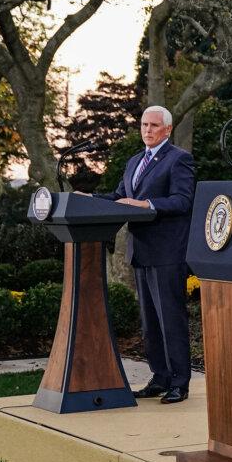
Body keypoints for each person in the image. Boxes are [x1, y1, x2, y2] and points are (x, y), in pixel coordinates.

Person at [96, 105, 196, 404]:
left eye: (154, 125)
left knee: (170, 320)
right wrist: (88, 199)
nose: (147, 130)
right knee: (150, 322)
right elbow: (118, 197)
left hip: (167, 252)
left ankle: (180, 381)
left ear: (167, 129)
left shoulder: (179, 159)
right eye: (144, 125)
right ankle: (160, 376)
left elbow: (182, 201)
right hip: (140, 252)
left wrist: (146, 204)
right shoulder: (134, 162)